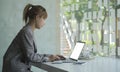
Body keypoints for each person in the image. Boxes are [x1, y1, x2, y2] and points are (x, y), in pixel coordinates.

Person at [2, 4, 65, 72]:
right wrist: (48, 59)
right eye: (43, 18)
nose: (44, 23)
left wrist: (51, 56)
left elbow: (31, 54)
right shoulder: (27, 32)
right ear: (37, 17)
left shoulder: (28, 31)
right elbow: (31, 56)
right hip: (16, 68)